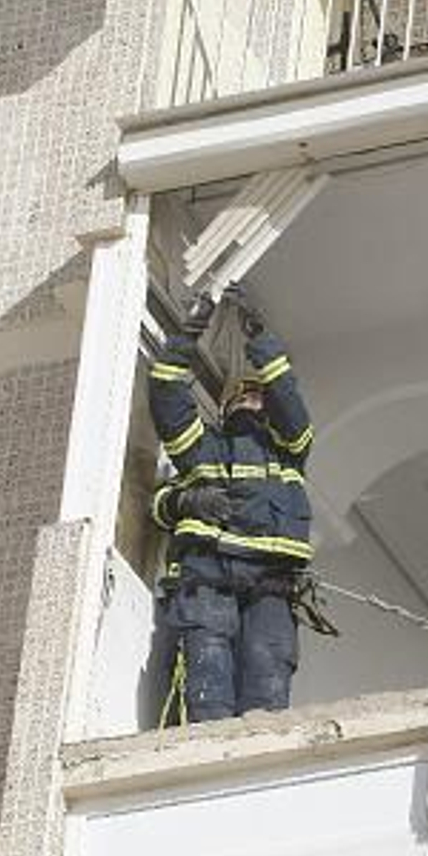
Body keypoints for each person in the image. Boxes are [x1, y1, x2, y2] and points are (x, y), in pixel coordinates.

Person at [148, 287, 315, 722]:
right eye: (241, 396)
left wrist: (261, 341)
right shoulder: (202, 448)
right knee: (208, 689)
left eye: (259, 396)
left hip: (271, 586)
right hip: (209, 581)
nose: (250, 401)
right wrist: (187, 334)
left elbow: (291, 407)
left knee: (267, 689)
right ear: (223, 409)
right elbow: (166, 391)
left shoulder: (288, 449)